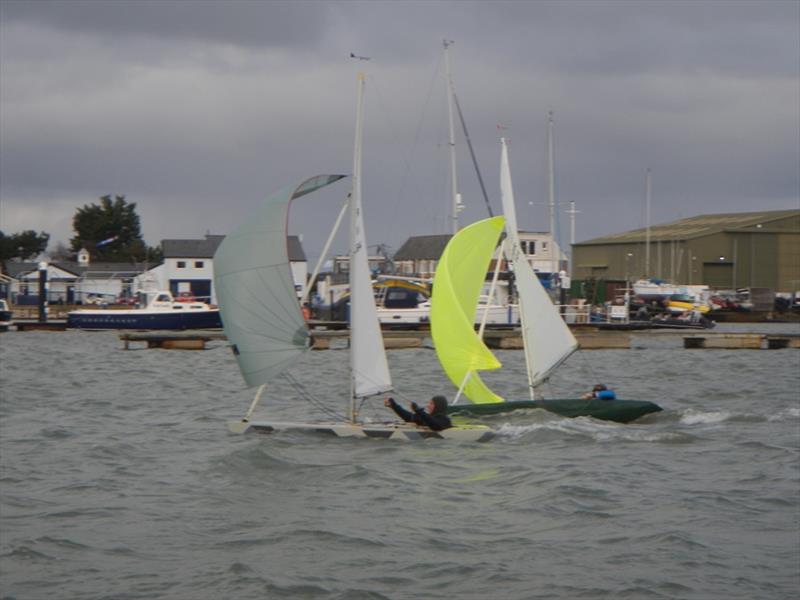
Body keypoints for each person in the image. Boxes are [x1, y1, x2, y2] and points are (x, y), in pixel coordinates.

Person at [384, 395, 452, 431]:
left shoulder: (445, 420)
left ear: (438, 406)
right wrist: (393, 405)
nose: (428, 405)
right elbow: (409, 417)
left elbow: (436, 426)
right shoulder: (428, 418)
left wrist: (418, 410)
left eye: (431, 404)